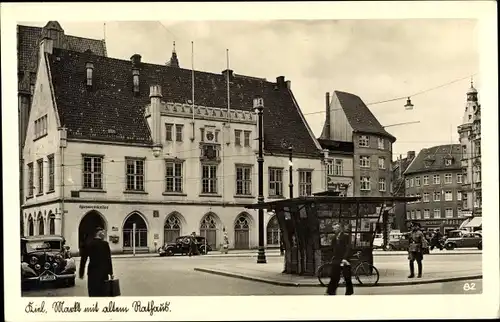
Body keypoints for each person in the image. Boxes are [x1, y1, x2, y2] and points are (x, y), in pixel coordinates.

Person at [79, 227, 114, 297]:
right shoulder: (105, 244)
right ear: (99, 233)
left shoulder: (89, 244)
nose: (104, 234)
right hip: (103, 273)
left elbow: (83, 259)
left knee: (93, 292)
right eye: (103, 232)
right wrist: (111, 273)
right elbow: (108, 259)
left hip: (92, 272)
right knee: (103, 293)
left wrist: (81, 272)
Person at [326, 222, 354, 296]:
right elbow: (332, 248)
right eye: (333, 228)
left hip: (345, 259)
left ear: (340, 228)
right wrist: (332, 256)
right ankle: (331, 292)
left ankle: (349, 292)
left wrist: (345, 258)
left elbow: (348, 248)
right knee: (334, 276)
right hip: (337, 259)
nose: (334, 229)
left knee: (347, 277)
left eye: (335, 228)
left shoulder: (345, 236)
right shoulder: (334, 238)